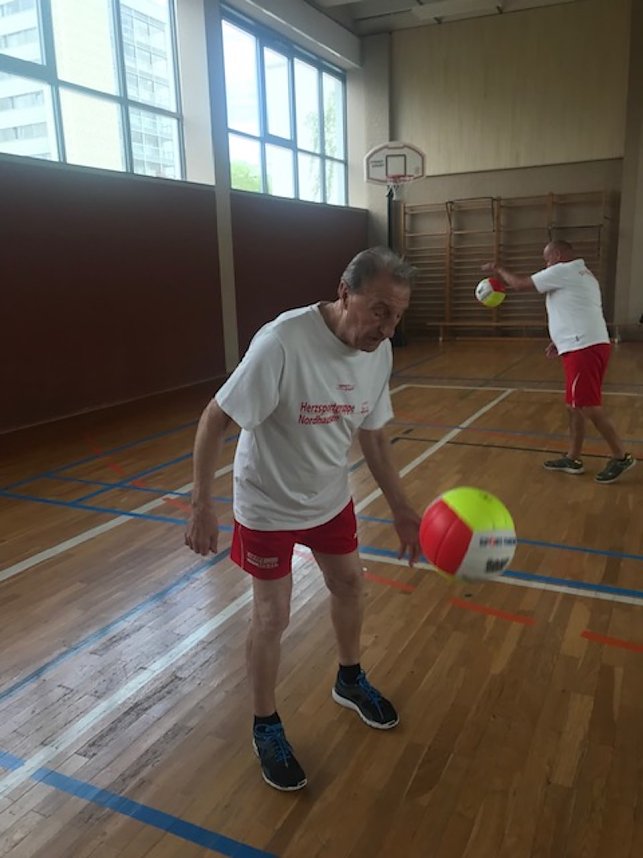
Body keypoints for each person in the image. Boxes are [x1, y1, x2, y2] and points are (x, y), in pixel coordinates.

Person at [185, 247, 422, 792]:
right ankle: (265, 724)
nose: (386, 328)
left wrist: (403, 508)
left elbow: (374, 435)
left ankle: (349, 678)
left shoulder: (377, 353)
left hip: (328, 496)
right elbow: (213, 418)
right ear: (345, 292)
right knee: (272, 617)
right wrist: (202, 502)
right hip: (267, 502)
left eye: (397, 316)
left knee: (350, 585)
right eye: (379, 310)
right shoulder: (283, 342)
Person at [482, 240, 635, 483]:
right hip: (581, 344)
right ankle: (573, 458)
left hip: (584, 347)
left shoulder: (564, 270)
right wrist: (560, 340)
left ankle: (621, 457)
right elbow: (579, 310)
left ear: (557, 254)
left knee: (589, 406)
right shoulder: (583, 274)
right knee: (575, 406)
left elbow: (520, 285)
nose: (546, 264)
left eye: (547, 259)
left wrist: (498, 269)